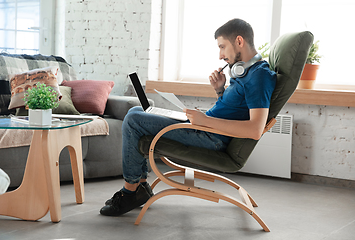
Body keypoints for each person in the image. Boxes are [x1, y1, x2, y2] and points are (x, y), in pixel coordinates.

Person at [100, 18, 277, 217]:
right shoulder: (246, 72)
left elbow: (255, 130)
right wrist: (220, 91)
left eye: (222, 47)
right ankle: (140, 185)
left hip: (212, 137)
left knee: (134, 121)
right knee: (134, 112)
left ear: (239, 41)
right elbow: (236, 109)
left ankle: (130, 191)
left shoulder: (259, 76)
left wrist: (206, 121)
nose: (220, 55)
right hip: (206, 128)